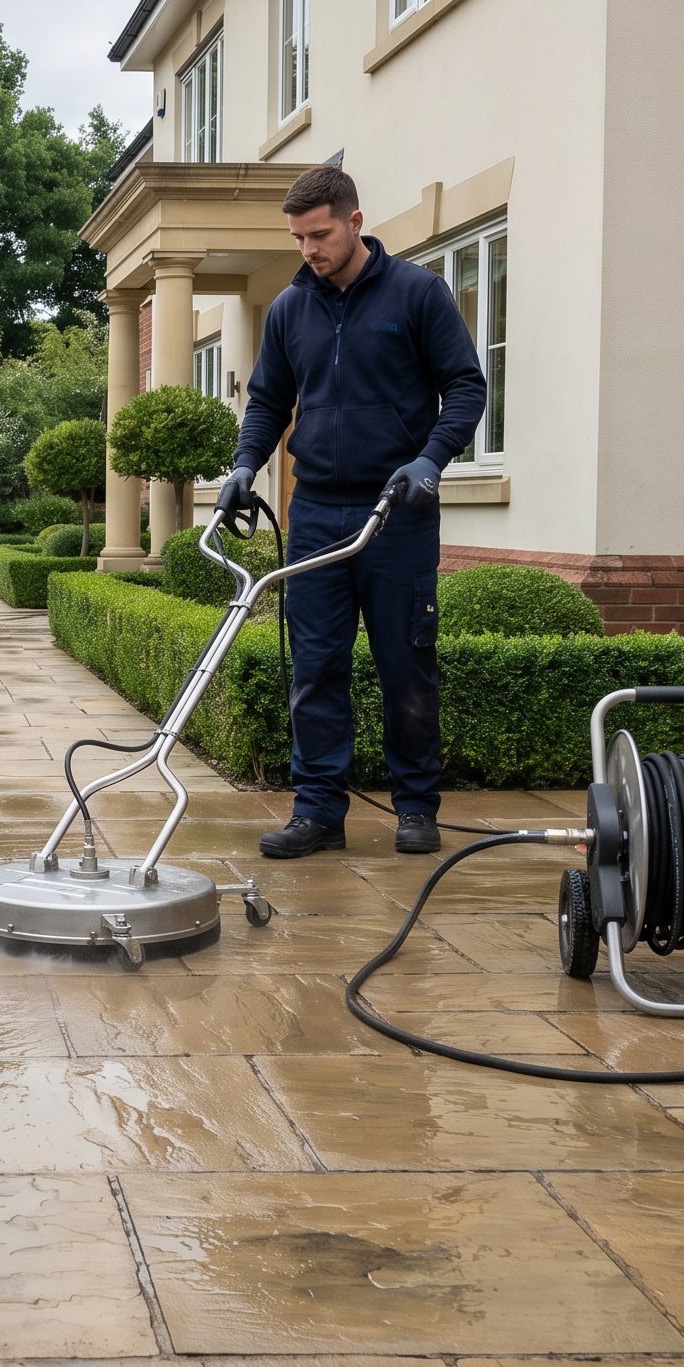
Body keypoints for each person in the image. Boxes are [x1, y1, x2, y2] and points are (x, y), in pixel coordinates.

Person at [215, 165, 486, 859]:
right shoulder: (289, 310)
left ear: (355, 222)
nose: (309, 249)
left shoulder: (417, 294)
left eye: (320, 234)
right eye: (299, 238)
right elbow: (268, 401)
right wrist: (245, 465)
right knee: (315, 669)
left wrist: (431, 459)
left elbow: (465, 386)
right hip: (315, 512)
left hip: (397, 512)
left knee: (406, 665)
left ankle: (416, 808)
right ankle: (317, 812)